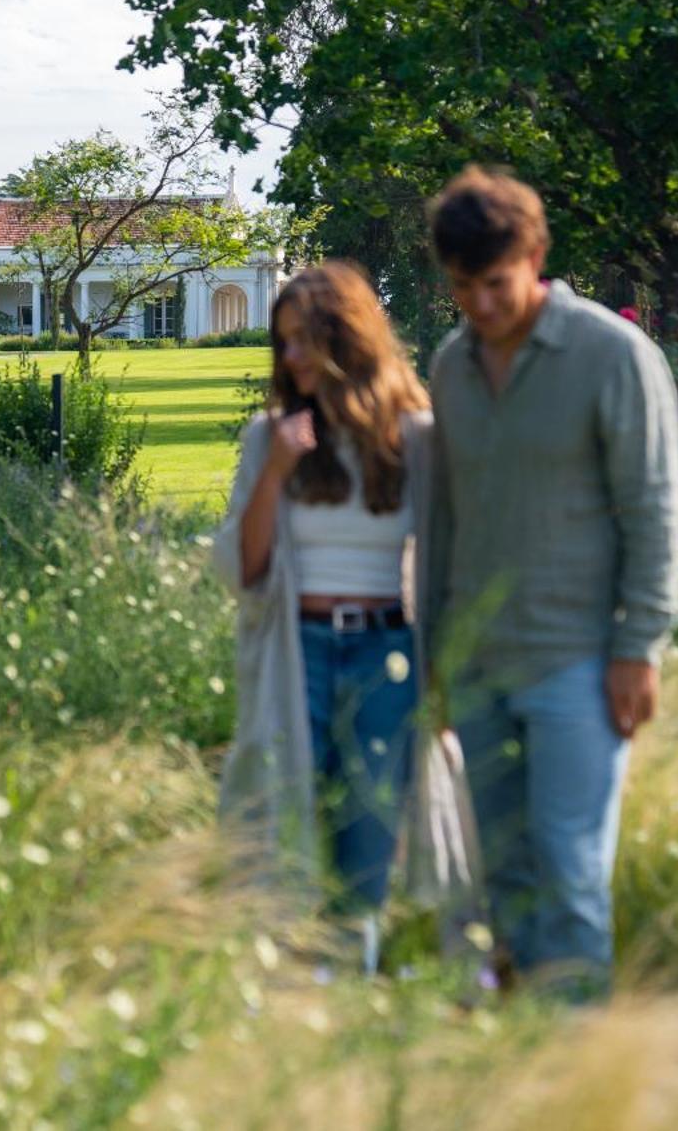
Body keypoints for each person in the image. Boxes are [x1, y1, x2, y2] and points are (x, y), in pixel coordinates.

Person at [420, 167, 678, 998]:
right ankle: (529, 1056)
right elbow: (442, 526)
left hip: (580, 660)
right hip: (477, 667)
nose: (481, 305)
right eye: (463, 287)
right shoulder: (451, 368)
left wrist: (639, 647)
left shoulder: (613, 354)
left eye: (495, 284)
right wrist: (434, 656)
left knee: (570, 872)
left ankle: (581, 1073)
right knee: (506, 875)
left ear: (535, 255)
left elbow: (654, 509)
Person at [211, 262, 476, 975]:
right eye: (284, 342)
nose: (290, 357)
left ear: (346, 339)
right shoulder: (271, 438)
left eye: (304, 340)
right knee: (286, 830)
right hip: (298, 650)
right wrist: (275, 474)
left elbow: (451, 562)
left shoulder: (416, 439)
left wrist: (446, 679)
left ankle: (348, 989)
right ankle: (289, 991)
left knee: (366, 838)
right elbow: (245, 568)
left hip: (388, 656)